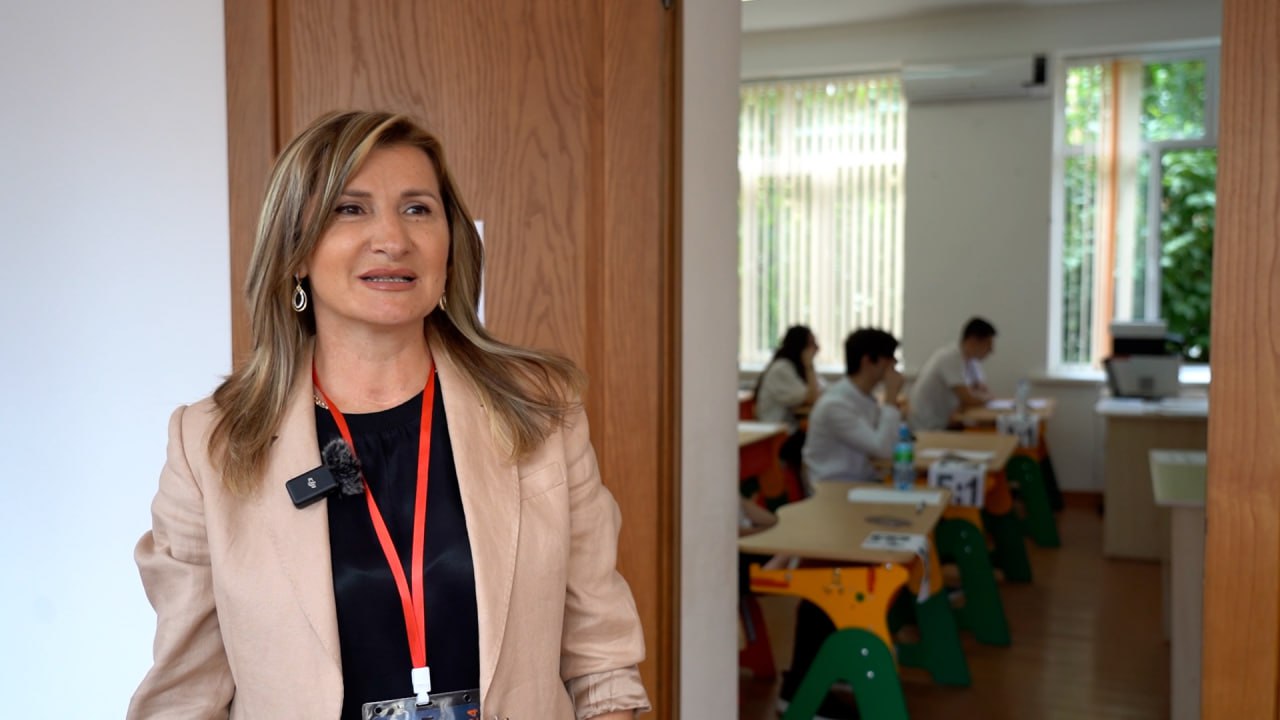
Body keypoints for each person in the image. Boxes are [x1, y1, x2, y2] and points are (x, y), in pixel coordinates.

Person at [128, 111, 649, 720]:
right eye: (350, 209)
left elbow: (603, 667)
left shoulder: (541, 413)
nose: (392, 239)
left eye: (417, 209)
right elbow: (185, 697)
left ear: (449, 247)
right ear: (295, 252)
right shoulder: (211, 446)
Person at [801, 328, 905, 484]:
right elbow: (884, 450)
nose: (894, 364)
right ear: (867, 361)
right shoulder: (835, 405)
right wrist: (890, 397)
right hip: (835, 488)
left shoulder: (863, 397)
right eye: (889, 357)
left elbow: (888, 441)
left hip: (860, 481)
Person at [908, 317, 997, 431]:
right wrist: (983, 398)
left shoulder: (971, 361)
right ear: (973, 341)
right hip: (928, 426)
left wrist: (980, 396)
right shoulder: (950, 358)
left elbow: (983, 390)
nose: (991, 350)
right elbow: (969, 399)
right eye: (988, 344)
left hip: (947, 421)